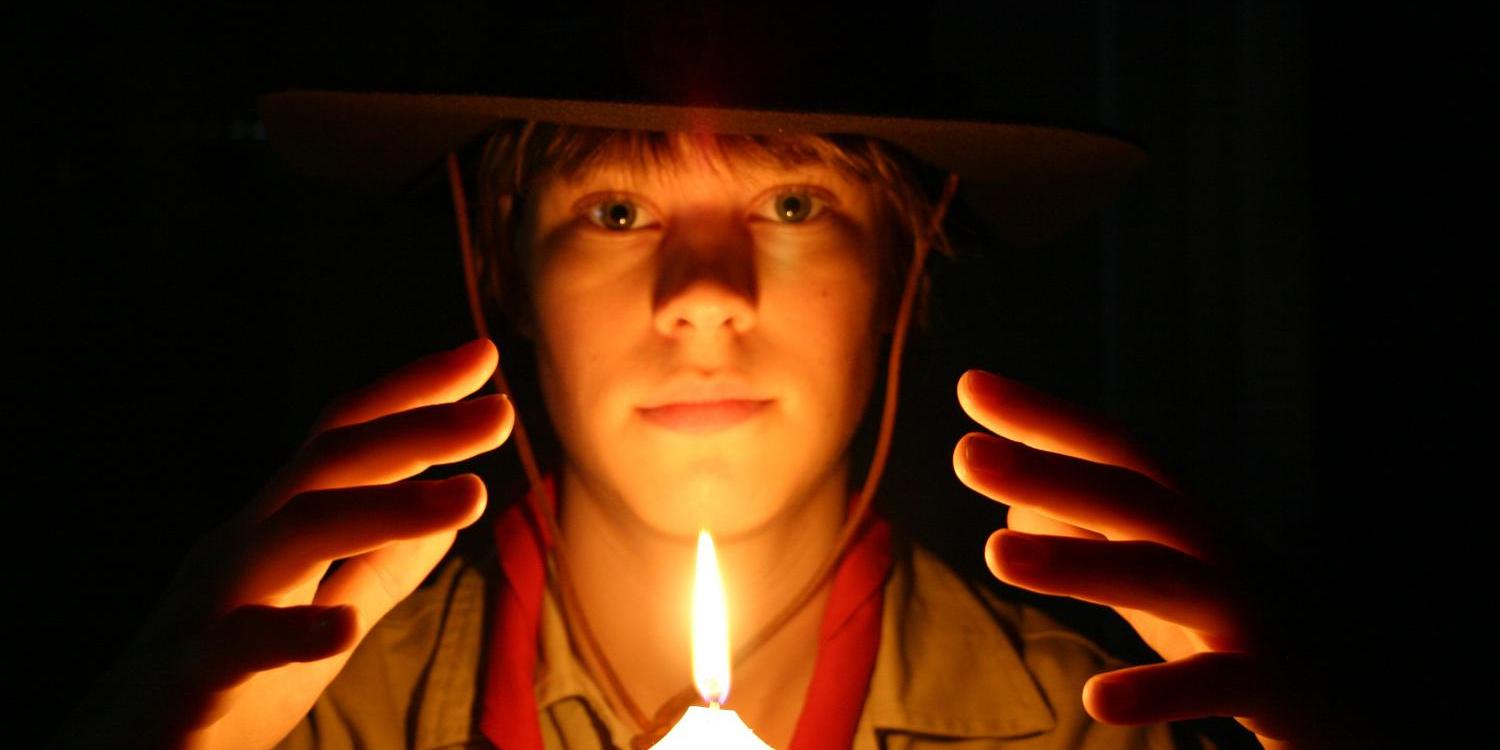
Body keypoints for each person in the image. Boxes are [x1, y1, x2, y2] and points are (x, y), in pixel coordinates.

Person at [50, 13, 1355, 750]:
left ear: (903, 269)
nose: (705, 293)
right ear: (508, 274)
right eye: (616, 211)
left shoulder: (1089, 728)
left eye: (793, 203)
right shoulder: (310, 721)